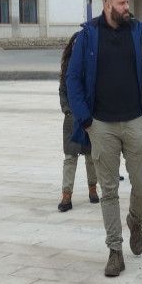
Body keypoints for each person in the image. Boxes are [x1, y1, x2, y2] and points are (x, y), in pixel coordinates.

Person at [66, 0, 142, 277]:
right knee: (108, 191)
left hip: (136, 121)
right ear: (107, 6)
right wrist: (86, 121)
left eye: (127, 3)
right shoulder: (87, 37)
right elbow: (73, 79)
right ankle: (115, 250)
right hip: (101, 125)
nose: (127, 8)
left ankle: (135, 221)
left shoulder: (140, 33)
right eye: (121, 4)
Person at [58, 30, 98, 211]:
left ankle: (92, 188)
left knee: (91, 157)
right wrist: (67, 110)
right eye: (74, 45)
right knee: (70, 157)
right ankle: (67, 194)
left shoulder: (92, 65)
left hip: (89, 117)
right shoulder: (67, 67)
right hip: (72, 118)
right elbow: (63, 91)